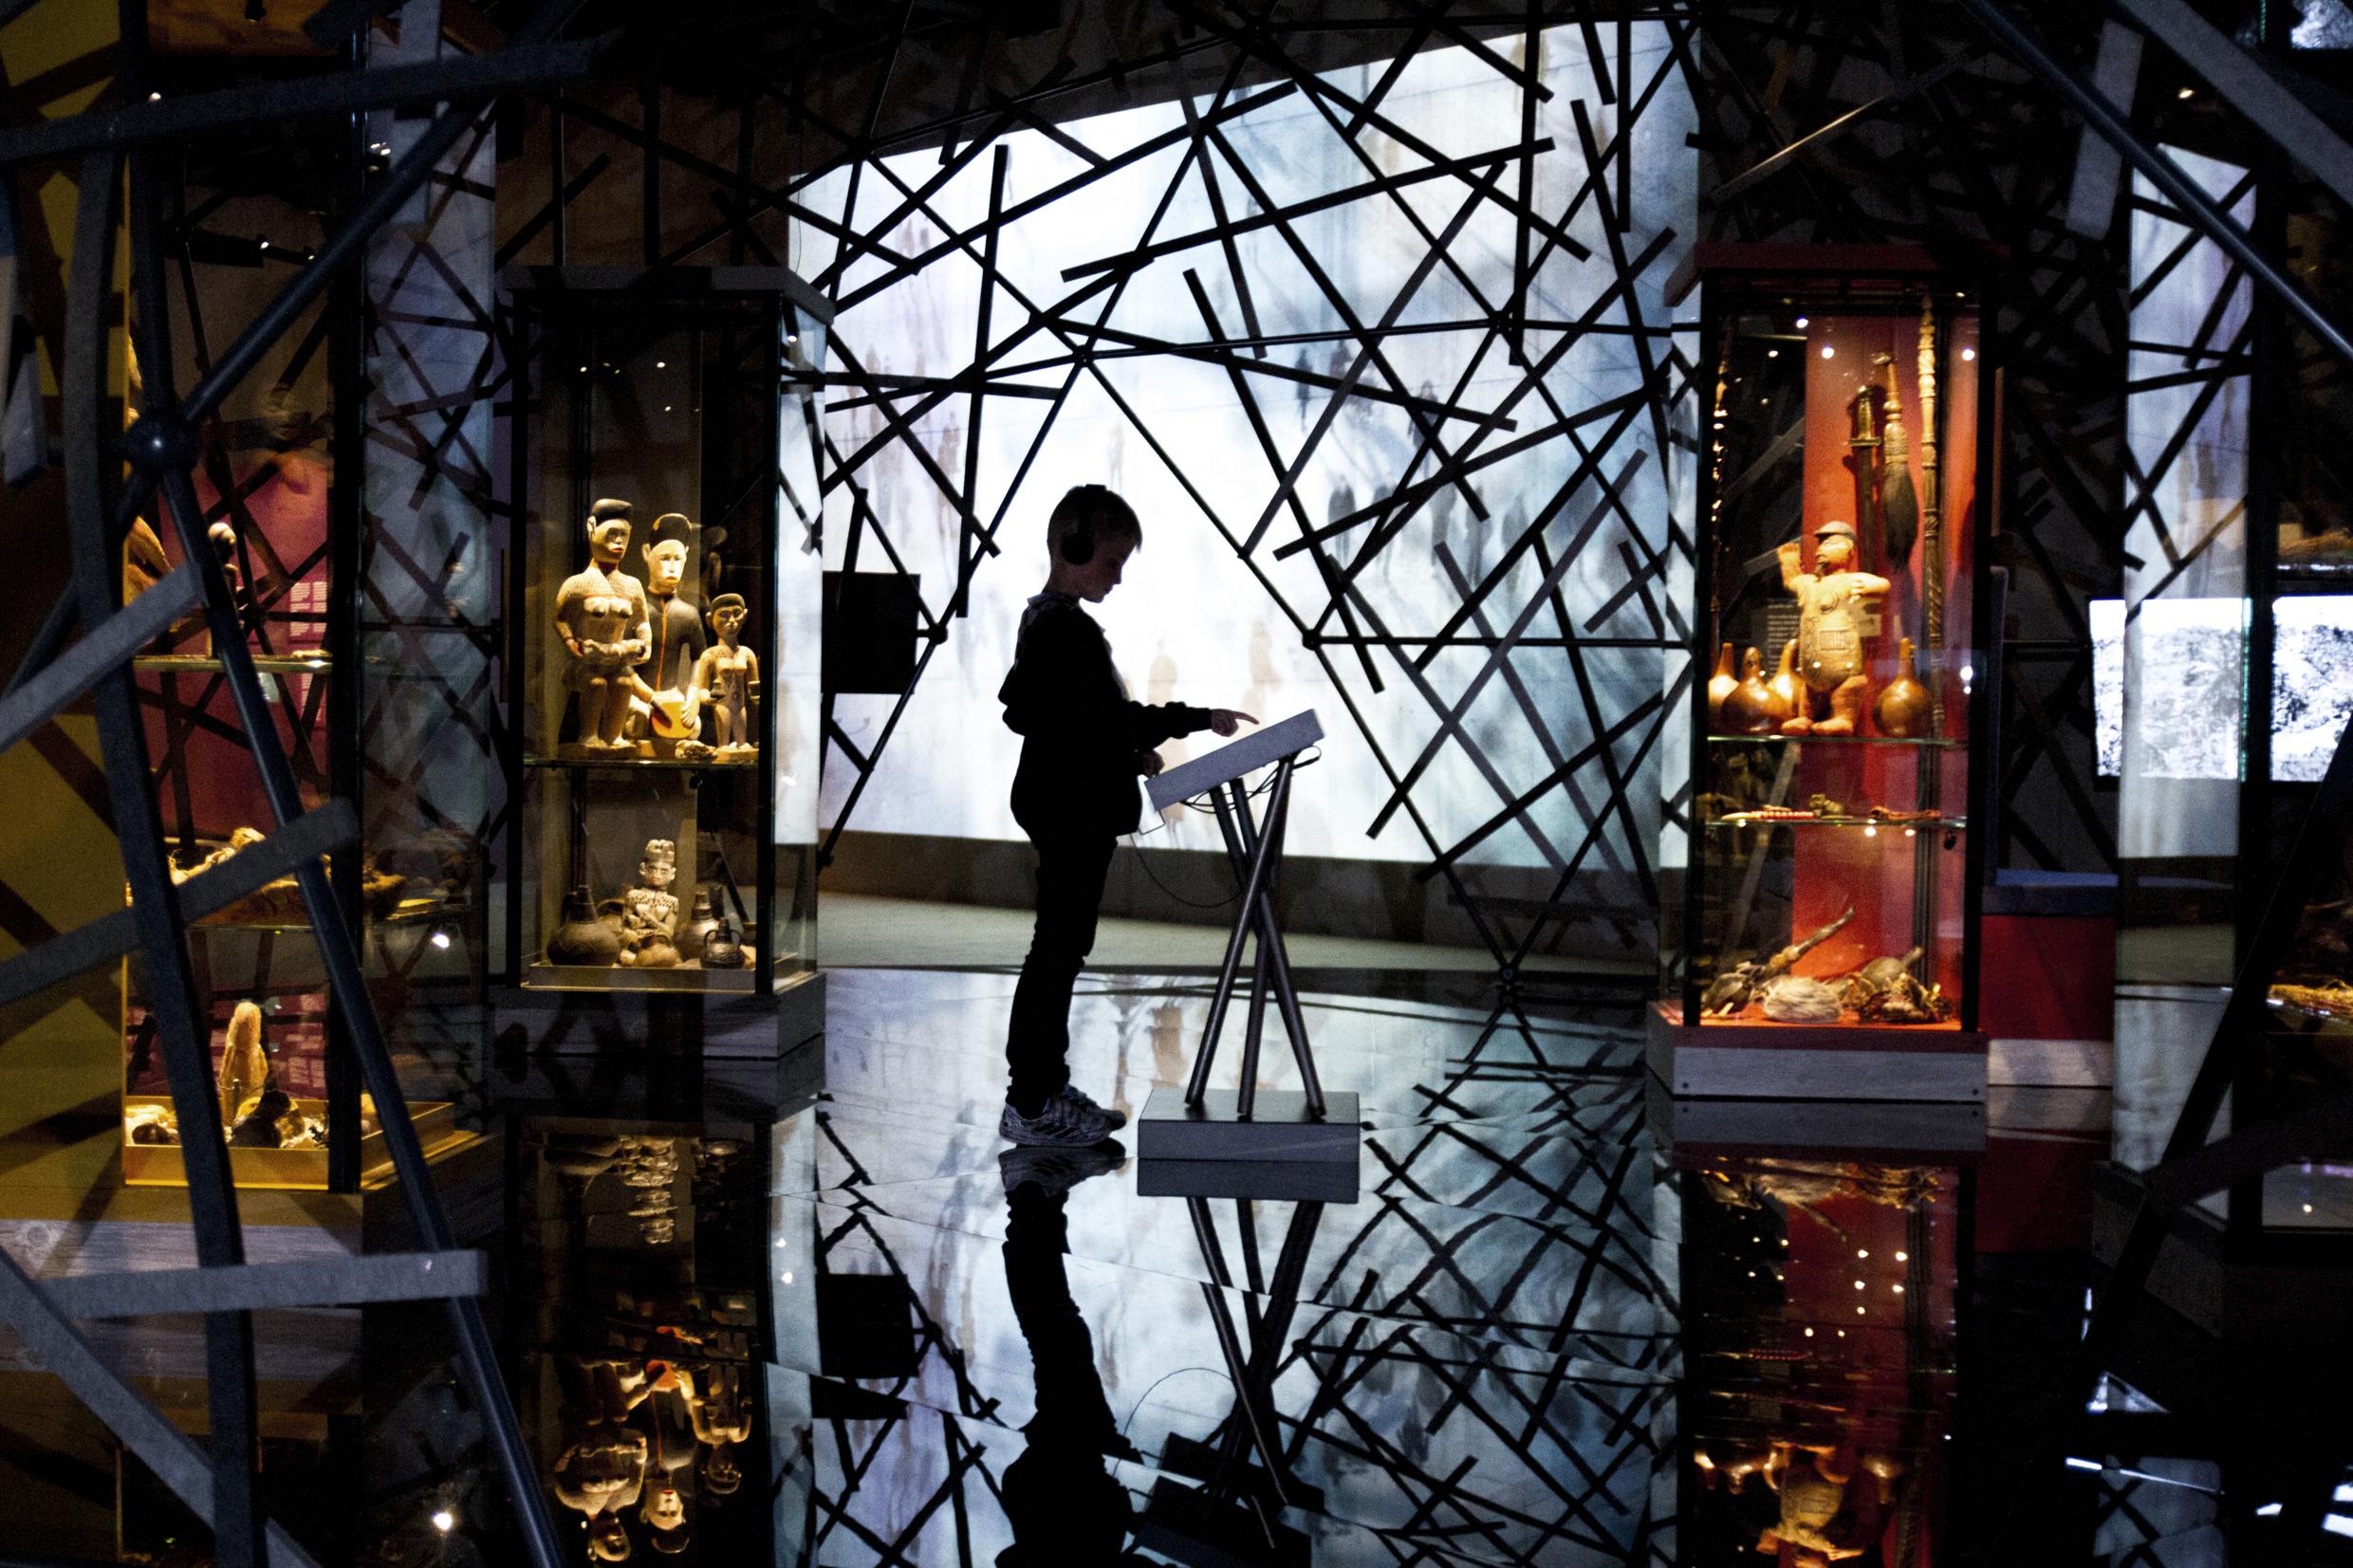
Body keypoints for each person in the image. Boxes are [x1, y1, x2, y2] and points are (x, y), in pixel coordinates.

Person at [996, 485, 1253, 1146]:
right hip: (1069, 810)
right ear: (1075, 547)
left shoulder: (1052, 623)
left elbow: (1075, 722)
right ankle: (1031, 1100)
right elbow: (1095, 718)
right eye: (1112, 561)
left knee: (1060, 949)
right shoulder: (1063, 630)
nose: (1116, 576)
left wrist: (1127, 751)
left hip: (1068, 803)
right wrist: (1197, 718)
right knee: (1057, 951)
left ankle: (1043, 1088)